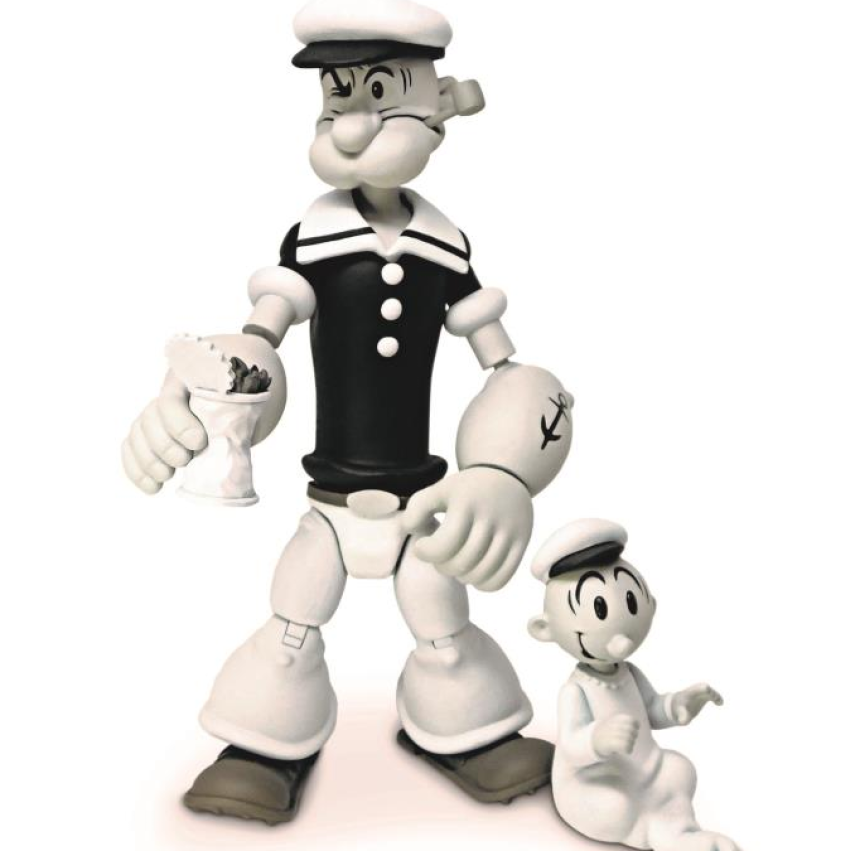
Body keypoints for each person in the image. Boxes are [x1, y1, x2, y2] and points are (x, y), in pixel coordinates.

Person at [123, 0, 572, 825]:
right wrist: (214, 393)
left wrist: (506, 473)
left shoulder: (448, 248)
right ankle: (265, 744)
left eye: (379, 95)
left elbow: (510, 371)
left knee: (440, 615)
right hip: (330, 498)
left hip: (424, 499)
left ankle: (464, 731)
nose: (355, 126)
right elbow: (261, 342)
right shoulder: (313, 240)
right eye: (338, 99)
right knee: (296, 609)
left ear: (441, 108)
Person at [529, 519, 740, 851]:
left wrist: (680, 704)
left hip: (642, 770)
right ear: (545, 629)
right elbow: (571, 745)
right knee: (615, 807)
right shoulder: (575, 691)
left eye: (631, 601)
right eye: (599, 608)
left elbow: (652, 709)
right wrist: (597, 738)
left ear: (650, 604)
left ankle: (680, 830)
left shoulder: (630, 672)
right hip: (595, 779)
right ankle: (658, 835)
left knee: (679, 769)